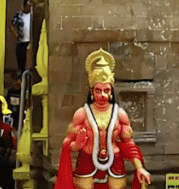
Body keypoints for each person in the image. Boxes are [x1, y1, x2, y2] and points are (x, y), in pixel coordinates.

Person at [56, 48, 151, 189]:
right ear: (92, 92)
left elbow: (129, 145)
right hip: (86, 161)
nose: (102, 95)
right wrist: (78, 145)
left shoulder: (120, 114)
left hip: (115, 162)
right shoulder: (81, 114)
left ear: (111, 91)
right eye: (98, 91)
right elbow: (67, 145)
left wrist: (139, 167)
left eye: (106, 91)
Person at [10, 0, 32, 74]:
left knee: (30, 61)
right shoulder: (19, 15)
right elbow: (11, 25)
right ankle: (21, 76)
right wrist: (15, 35)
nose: (28, 8)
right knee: (21, 60)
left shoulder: (32, 15)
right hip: (21, 41)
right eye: (28, 6)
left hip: (31, 41)